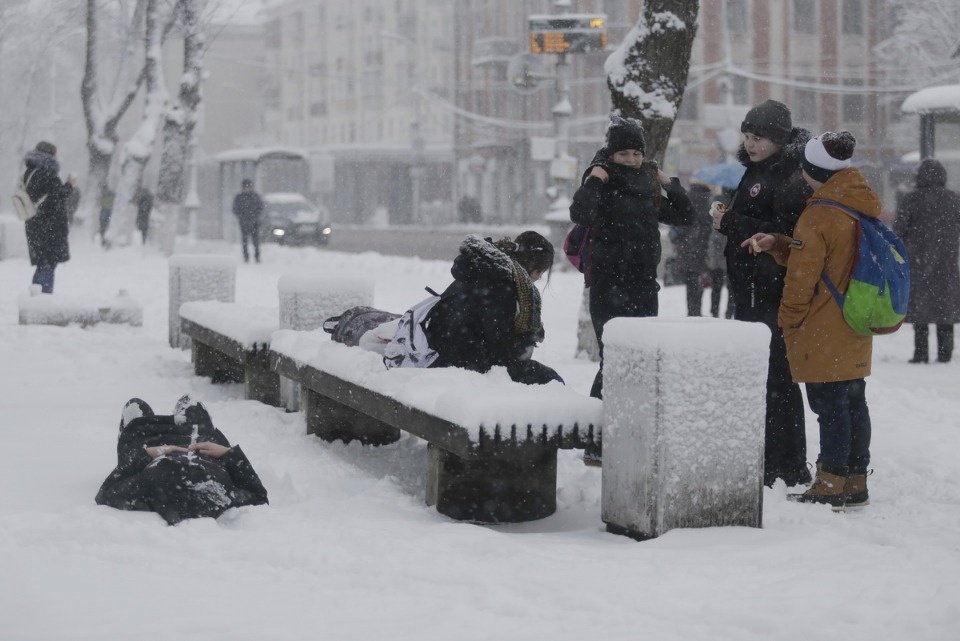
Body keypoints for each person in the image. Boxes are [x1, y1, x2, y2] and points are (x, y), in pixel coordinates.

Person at [743, 131, 877, 509]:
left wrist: (788, 320)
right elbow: (833, 258)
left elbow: (803, 277)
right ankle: (854, 478)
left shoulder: (818, 214)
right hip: (855, 317)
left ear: (812, 170)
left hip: (822, 323)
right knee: (854, 400)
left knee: (829, 404)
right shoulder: (857, 203)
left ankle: (831, 480)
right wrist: (780, 243)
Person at [711, 100, 813, 487]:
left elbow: (783, 229)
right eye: (747, 137)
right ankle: (772, 457)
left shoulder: (788, 174)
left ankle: (786, 462)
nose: (750, 144)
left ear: (779, 138)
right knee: (763, 377)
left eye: (758, 138)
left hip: (769, 287)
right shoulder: (756, 169)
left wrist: (732, 221)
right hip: (750, 286)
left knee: (778, 378)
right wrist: (729, 224)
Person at [569, 115, 694, 400]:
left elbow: (685, 216)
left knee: (641, 358)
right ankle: (599, 428)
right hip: (608, 285)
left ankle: (630, 426)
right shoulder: (602, 179)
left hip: (643, 285)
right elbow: (580, 214)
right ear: (612, 153)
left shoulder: (647, 185)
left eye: (637, 153)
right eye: (623, 153)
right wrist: (595, 181)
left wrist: (669, 182)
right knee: (612, 359)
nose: (631, 159)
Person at [95, 395, 269, 525]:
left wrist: (147, 454)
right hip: (196, 437)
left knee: (136, 405)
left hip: (148, 440)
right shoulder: (219, 495)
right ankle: (179, 416)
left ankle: (135, 425)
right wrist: (227, 453)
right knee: (192, 404)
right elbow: (259, 496)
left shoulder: (151, 486)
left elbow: (107, 491)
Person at [424, 232, 563, 385]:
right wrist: (529, 336)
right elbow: (499, 353)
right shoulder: (502, 285)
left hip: (441, 356)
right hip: (463, 368)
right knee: (553, 381)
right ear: (533, 267)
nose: (539, 277)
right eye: (540, 271)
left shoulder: (483, 270)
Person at [894, 158, 960, 364]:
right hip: (946, 263)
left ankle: (920, 353)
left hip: (918, 262)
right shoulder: (954, 199)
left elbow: (899, 230)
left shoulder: (910, 199)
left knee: (920, 309)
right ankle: (945, 353)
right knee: (944, 309)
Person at [21, 141, 75, 294]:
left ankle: (36, 296)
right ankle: (42, 301)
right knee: (47, 264)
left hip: (34, 224)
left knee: (43, 264)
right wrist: (69, 185)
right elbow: (57, 198)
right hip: (48, 227)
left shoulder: (30, 172)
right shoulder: (47, 173)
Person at [674, 179, 713, 316]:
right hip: (703, 250)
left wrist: (679, 241)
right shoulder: (708, 203)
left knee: (690, 282)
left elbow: (676, 226)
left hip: (686, 248)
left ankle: (691, 310)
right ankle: (697, 309)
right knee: (701, 280)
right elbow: (711, 228)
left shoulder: (686, 199)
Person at [232, 178, 264, 263]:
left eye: (249, 187)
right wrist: (242, 218)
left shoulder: (255, 197)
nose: (247, 188)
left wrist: (255, 217)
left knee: (256, 241)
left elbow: (260, 208)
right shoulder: (239, 198)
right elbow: (235, 209)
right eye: (246, 187)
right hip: (244, 223)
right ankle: (246, 257)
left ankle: (257, 256)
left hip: (255, 223)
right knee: (244, 241)